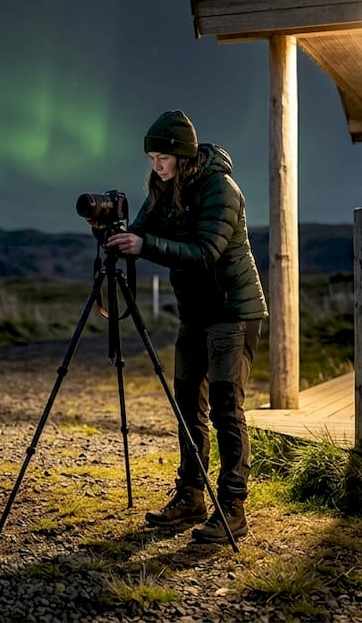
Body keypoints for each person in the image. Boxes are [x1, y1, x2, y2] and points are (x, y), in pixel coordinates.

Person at [105, 109, 267, 544]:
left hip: (233, 311)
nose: (156, 166)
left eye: (162, 157)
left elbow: (205, 251)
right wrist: (109, 229)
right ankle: (192, 495)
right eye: (151, 159)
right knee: (187, 403)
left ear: (182, 154)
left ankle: (233, 508)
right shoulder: (163, 186)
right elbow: (139, 231)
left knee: (226, 407)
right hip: (195, 314)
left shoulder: (220, 188)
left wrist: (144, 245)